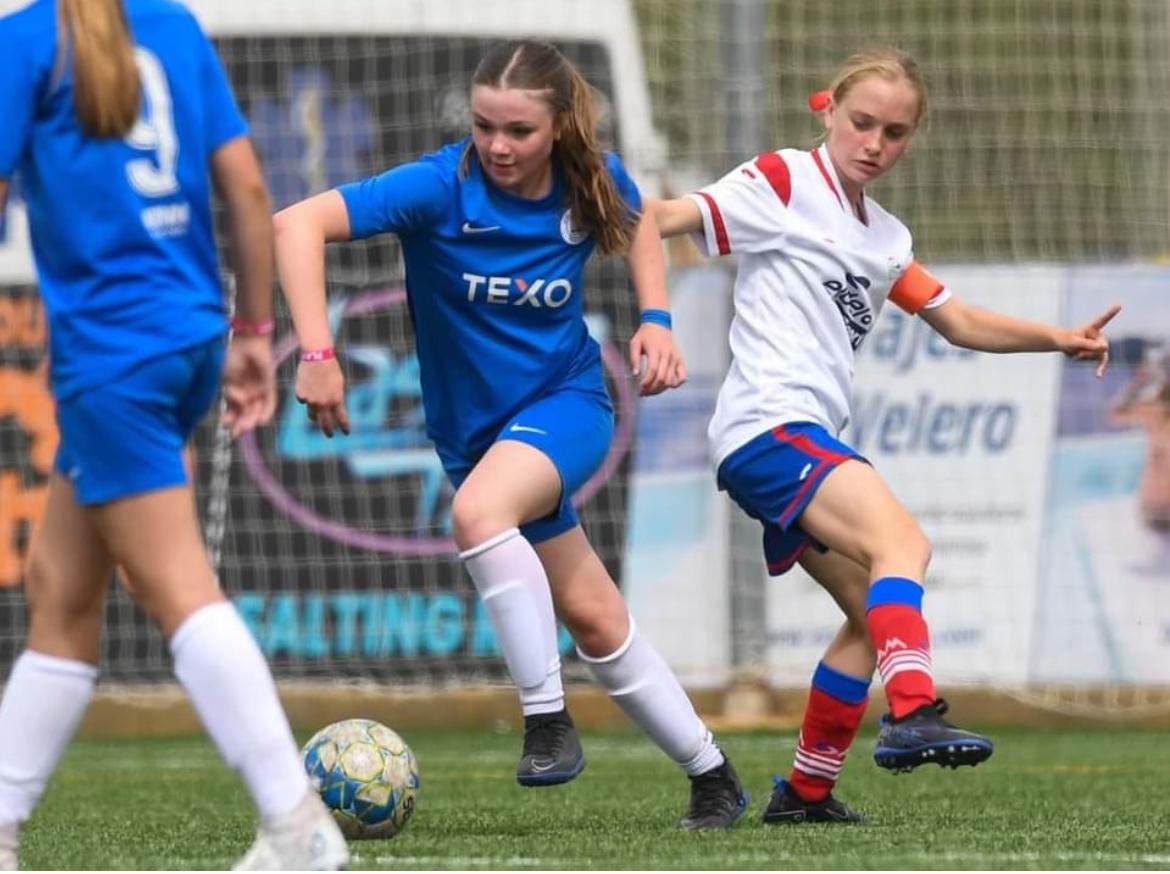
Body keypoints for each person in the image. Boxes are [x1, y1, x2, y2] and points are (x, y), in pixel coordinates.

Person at [274, 39, 746, 830]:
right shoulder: (437, 186)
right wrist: (317, 353)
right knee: (595, 616)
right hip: (474, 438)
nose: (497, 145)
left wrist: (657, 320)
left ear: (559, 125)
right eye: (485, 125)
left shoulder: (592, 178)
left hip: (568, 405)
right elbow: (295, 224)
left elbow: (640, 225)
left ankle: (546, 719)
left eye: (519, 131)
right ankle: (714, 775)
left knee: (478, 516)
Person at [652, 47, 1119, 825]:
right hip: (769, 428)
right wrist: (656, 320)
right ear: (827, 110)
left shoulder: (884, 237)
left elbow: (958, 319)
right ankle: (912, 709)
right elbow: (659, 220)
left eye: (894, 132)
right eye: (861, 121)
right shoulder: (781, 180)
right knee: (905, 546)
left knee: (874, 613)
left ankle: (804, 793)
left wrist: (1058, 337)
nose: (874, 141)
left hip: (787, 439)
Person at [0, 1, 348, 869]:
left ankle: (297, 823)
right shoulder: (174, 25)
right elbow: (251, 190)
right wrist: (256, 337)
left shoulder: (25, 40)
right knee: (61, 588)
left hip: (113, 353)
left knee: (178, 591)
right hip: (189, 336)